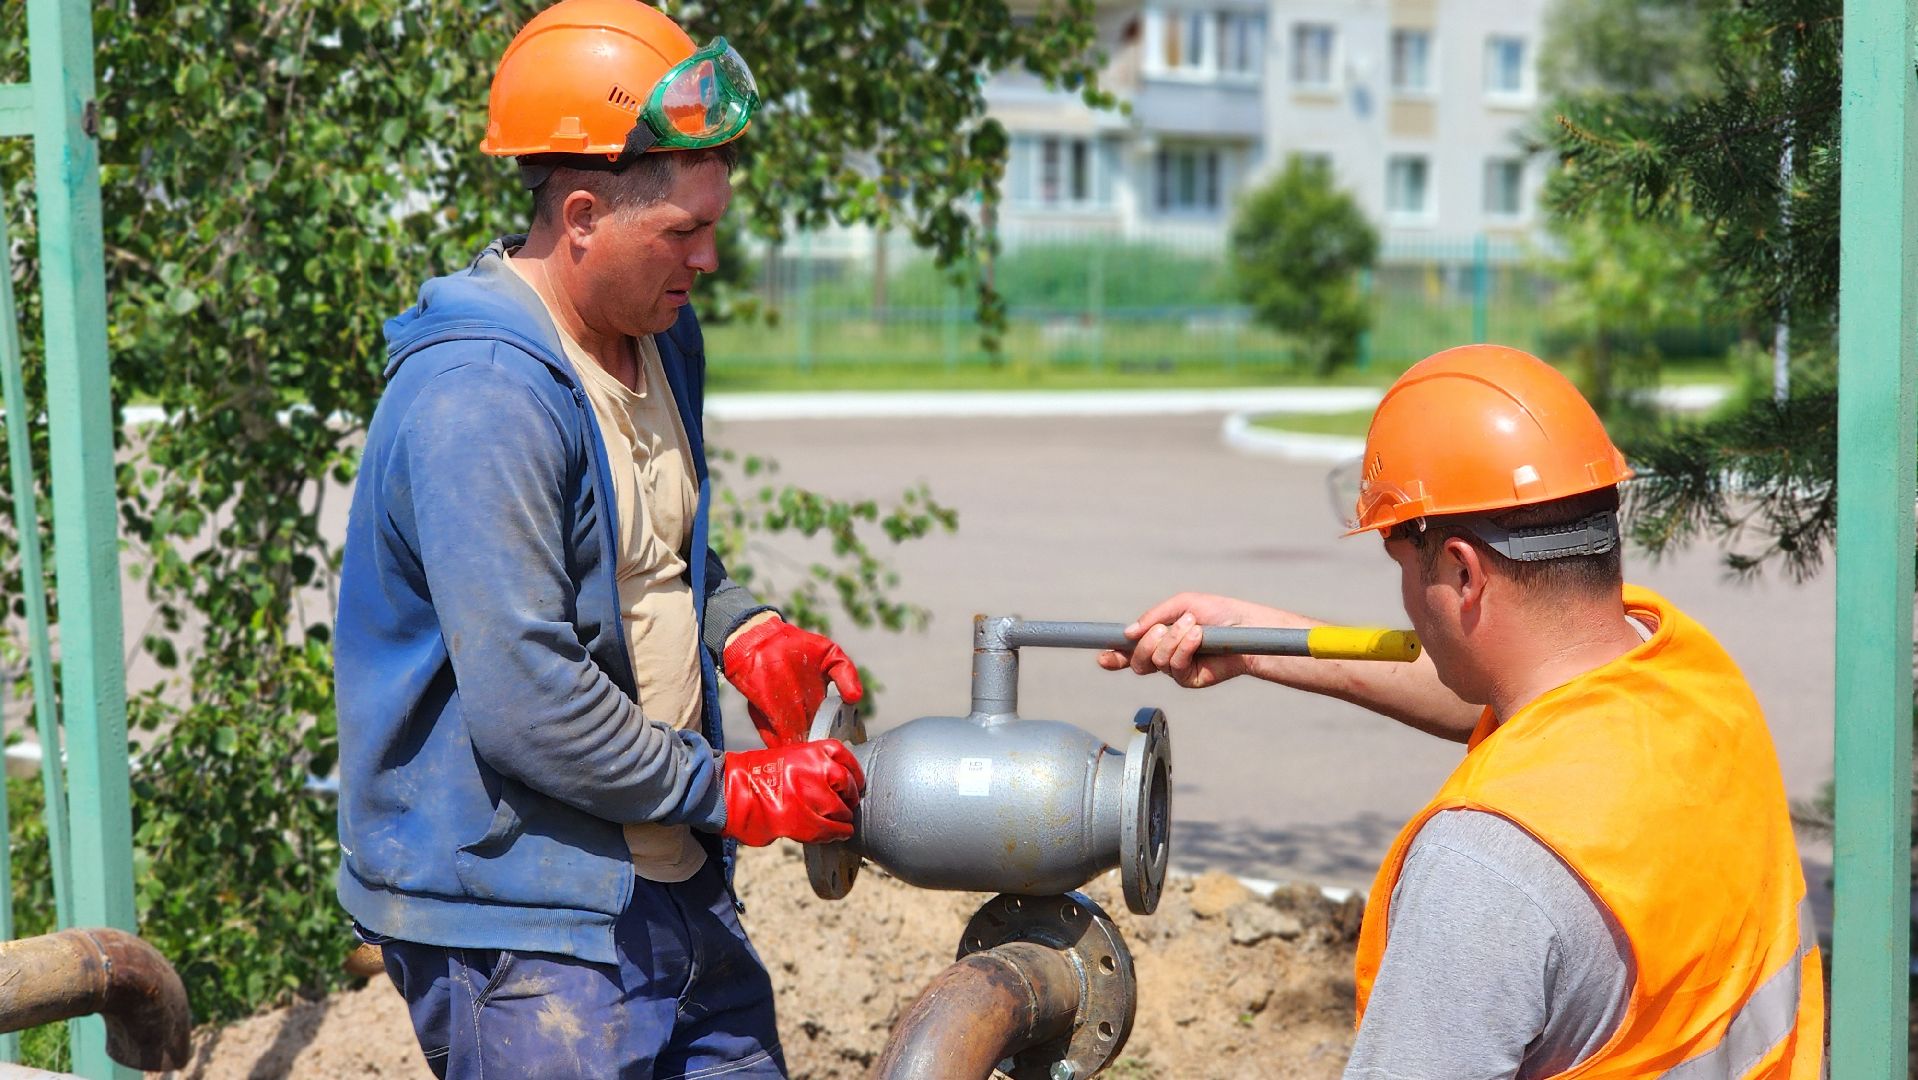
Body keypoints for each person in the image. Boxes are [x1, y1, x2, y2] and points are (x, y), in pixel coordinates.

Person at [333, 3, 864, 1075]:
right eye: (683, 231)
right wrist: (740, 791)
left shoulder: (660, 334)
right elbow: (530, 699)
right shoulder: (481, 398)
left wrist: (740, 623)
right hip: (524, 917)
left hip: (660, 871)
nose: (709, 258)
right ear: (581, 216)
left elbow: (651, 545)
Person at [1101, 345, 1823, 1077]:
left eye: (1405, 569)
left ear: (1462, 571)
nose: (1408, 602)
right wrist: (1259, 642)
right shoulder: (1694, 680)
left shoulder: (1488, 867)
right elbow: (1509, 687)